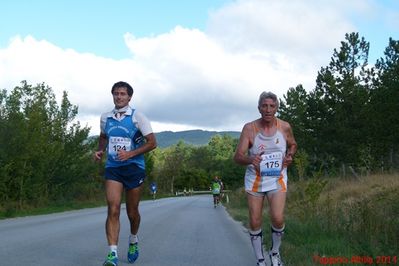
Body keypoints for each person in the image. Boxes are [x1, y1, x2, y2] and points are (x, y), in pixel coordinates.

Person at [94, 81, 157, 266]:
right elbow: (104, 136)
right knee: (113, 208)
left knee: (132, 212)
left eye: (122, 94)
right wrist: (100, 151)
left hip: (134, 168)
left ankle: (133, 240)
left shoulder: (138, 117)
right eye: (115, 93)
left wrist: (130, 153)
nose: (118, 97)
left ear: (129, 97)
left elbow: (152, 143)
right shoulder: (106, 117)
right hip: (113, 167)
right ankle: (112, 254)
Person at [233, 91, 297, 266]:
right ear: (259, 108)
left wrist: (290, 155)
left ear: (276, 108)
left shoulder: (284, 127)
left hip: (277, 178)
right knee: (255, 220)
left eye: (272, 106)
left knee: (277, 217)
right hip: (255, 179)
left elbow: (292, 144)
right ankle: (260, 260)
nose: (268, 109)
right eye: (264, 106)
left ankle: (274, 253)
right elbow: (237, 156)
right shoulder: (250, 128)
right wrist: (250, 159)